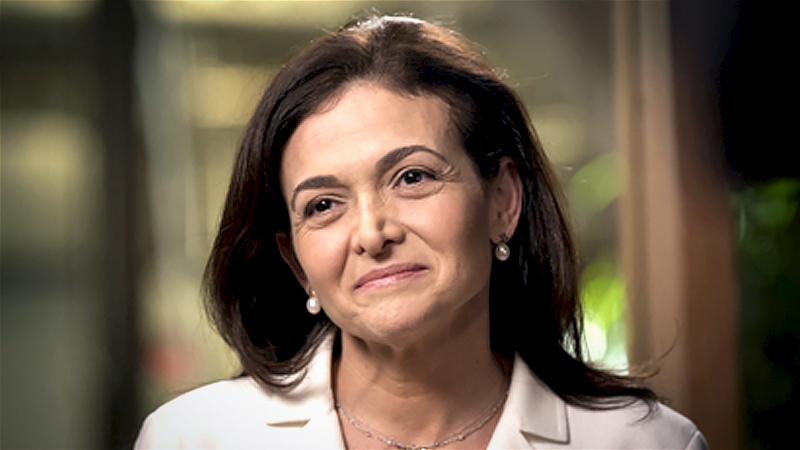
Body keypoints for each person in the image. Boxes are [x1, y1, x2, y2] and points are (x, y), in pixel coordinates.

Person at [135, 15, 708, 450]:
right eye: (324, 204)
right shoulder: (190, 437)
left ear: (502, 201)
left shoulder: (645, 442)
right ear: (295, 261)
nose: (372, 232)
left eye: (412, 177)